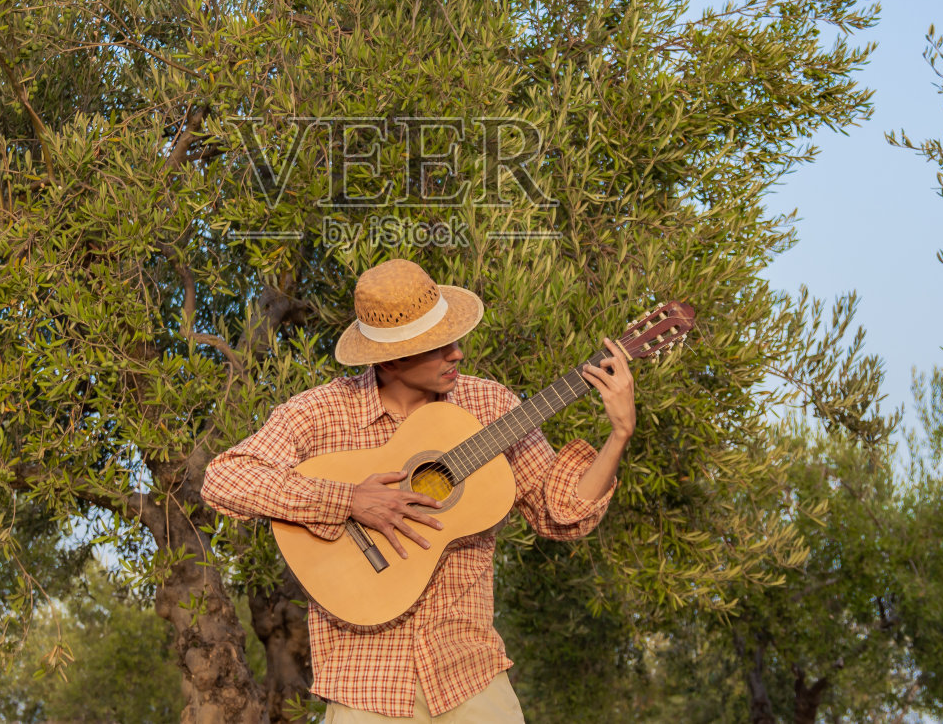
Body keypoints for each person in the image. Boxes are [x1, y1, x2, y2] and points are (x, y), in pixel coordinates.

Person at [200, 258, 637, 723]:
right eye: (438, 345)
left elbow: (562, 514)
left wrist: (618, 436)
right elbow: (225, 479)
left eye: (453, 338)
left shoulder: (489, 404)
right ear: (391, 358)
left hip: (470, 677)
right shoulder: (321, 411)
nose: (457, 354)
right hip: (364, 685)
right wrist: (348, 500)